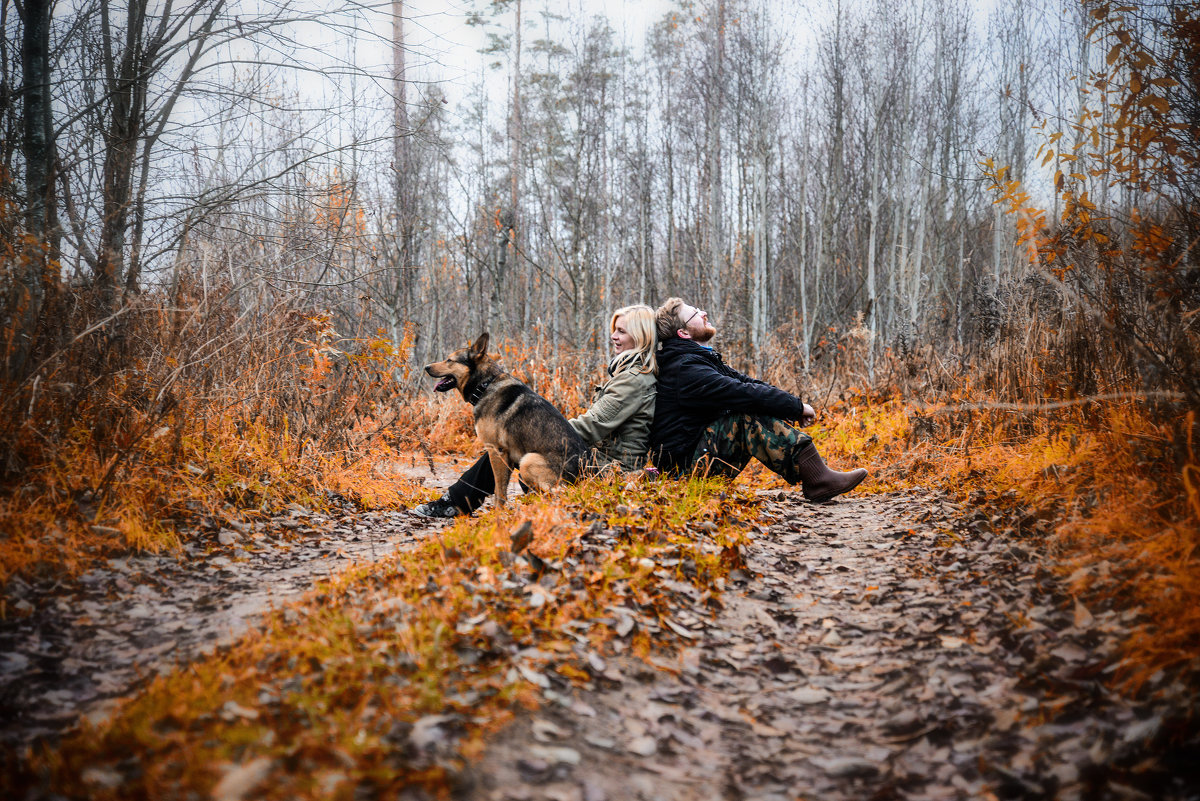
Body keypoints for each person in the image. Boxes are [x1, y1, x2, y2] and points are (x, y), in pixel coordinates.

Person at [413, 304, 658, 517]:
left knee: (504, 443)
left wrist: (535, 428)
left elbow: (592, 425)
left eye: (622, 331)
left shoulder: (633, 380)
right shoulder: (628, 374)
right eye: (614, 329)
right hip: (596, 460)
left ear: (641, 336)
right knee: (505, 442)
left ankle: (456, 503)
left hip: (608, 470)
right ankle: (459, 501)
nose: (613, 336)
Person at [649, 298, 867, 502]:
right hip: (682, 474)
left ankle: (818, 476)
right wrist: (796, 407)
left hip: (694, 459)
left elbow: (749, 383)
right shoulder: (685, 369)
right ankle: (818, 478)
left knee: (754, 403)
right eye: (695, 313)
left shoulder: (694, 360)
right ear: (683, 333)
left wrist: (793, 405)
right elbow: (744, 393)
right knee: (745, 415)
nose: (703, 313)